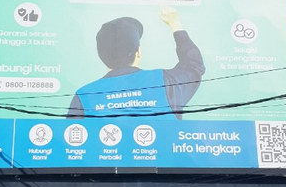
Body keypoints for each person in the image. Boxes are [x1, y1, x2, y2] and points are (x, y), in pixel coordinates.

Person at [68, 8, 205, 119]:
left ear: (102, 57)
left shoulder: (84, 96)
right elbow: (193, 65)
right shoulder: (165, 82)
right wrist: (175, 23)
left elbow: (71, 140)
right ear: (138, 52)